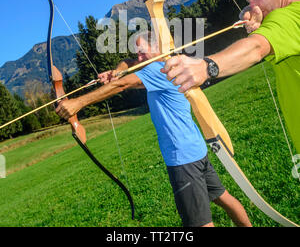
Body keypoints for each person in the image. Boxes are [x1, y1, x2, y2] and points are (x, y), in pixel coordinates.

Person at [56, 32, 252, 227]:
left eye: (142, 53)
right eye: (137, 53)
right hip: (196, 150)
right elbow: (128, 62)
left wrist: (78, 103)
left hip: (182, 160)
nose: (139, 58)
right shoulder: (169, 65)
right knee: (224, 198)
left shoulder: (156, 71)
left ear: (157, 49)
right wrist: (116, 71)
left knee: (199, 223)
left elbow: (123, 85)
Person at [162, 0, 300, 154]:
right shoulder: (290, 20)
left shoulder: (288, 17)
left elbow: (256, 47)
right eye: (249, 0)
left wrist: (206, 66)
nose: (253, 5)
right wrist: (260, 27)